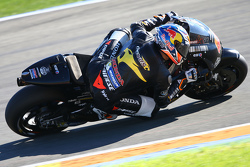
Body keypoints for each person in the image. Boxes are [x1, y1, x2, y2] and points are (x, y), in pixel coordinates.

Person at [82, 11, 197, 121]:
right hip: (106, 98)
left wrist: (165, 17)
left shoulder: (144, 38)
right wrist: (184, 79)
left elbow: (137, 25)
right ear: (170, 45)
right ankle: (101, 112)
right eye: (181, 47)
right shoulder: (163, 75)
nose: (183, 51)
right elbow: (163, 101)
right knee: (152, 109)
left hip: (94, 68)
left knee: (121, 32)